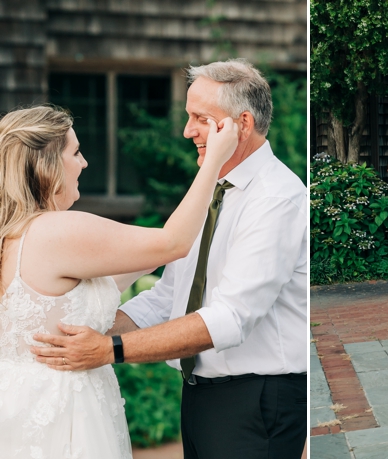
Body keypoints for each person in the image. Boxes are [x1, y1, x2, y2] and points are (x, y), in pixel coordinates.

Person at [30, 59, 309, 458]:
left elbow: (230, 319)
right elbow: (171, 296)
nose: (187, 130)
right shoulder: (214, 190)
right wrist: (84, 334)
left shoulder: (276, 199)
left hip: (256, 400)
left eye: (200, 118)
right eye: (187, 116)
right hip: (200, 398)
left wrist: (111, 350)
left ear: (240, 125)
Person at [0, 105, 238, 458]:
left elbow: (114, 277)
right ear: (47, 164)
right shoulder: (57, 230)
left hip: (22, 406)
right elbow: (173, 242)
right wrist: (216, 159)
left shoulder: (14, 237)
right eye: (75, 152)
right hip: (66, 416)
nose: (83, 164)